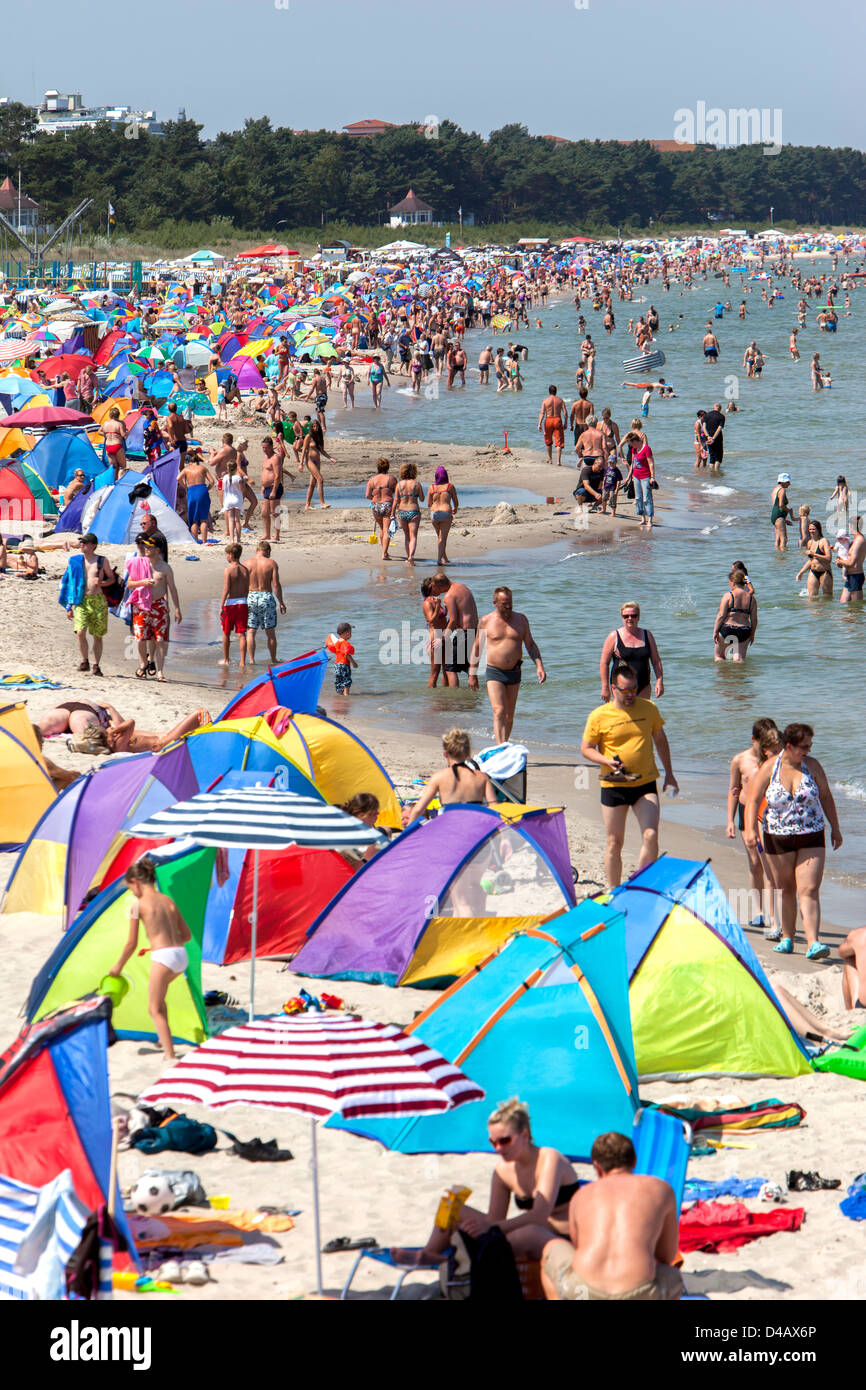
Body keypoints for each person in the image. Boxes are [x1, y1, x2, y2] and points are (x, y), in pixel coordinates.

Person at [392, 1098, 582, 1268]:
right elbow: (494, 1219)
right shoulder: (502, 1171)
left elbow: (539, 1216)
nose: (498, 1149)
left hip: (563, 1238)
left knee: (528, 1232)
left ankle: (459, 1261)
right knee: (452, 1207)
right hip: (527, 1231)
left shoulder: (549, 1158)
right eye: (493, 1143)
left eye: (505, 1141)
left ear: (525, 1135)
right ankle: (430, 1254)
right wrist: (479, 1227)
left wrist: (491, 1229)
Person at [540, 1131, 682, 1302]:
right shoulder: (661, 1189)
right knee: (672, 1275)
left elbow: (578, 1247)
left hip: (583, 1293)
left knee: (550, 1250)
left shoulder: (581, 1196)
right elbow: (666, 1255)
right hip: (639, 1294)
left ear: (597, 1167)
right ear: (634, 1161)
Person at [744, 722, 842, 959]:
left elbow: (826, 797)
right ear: (789, 746)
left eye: (810, 745)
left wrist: (835, 828)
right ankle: (787, 937)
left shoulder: (813, 766)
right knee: (786, 888)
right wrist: (749, 830)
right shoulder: (770, 768)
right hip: (778, 836)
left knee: (809, 889)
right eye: (804, 746)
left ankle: (813, 943)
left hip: (812, 834)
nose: (808, 750)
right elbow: (753, 800)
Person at [581, 661, 678, 887]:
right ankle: (614, 890)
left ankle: (641, 884)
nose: (631, 694)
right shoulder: (599, 716)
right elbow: (586, 748)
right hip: (614, 785)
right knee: (615, 842)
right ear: (613, 688)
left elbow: (661, 740)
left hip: (645, 784)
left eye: (634, 689)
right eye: (625, 690)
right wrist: (606, 761)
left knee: (651, 835)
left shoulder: (649, 709)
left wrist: (670, 774)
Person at [108, 858, 192, 1061]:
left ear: (135, 881)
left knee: (153, 1008)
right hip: (181, 956)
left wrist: (117, 967)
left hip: (164, 958)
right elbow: (187, 935)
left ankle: (170, 1055)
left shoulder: (138, 905)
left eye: (130, 888)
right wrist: (155, 946)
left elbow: (131, 943)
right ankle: (166, 1045)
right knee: (160, 1003)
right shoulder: (168, 900)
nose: (132, 892)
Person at [470, 586, 546, 744]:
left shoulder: (521, 620)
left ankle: (504, 743)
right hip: (494, 671)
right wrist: (473, 673)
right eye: (504, 603)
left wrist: (539, 666)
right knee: (499, 711)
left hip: (515, 671)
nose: (509, 606)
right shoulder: (485, 621)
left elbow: (530, 645)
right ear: (495, 603)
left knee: (509, 715)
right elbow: (477, 647)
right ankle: (500, 748)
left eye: (510, 602)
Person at [726, 718, 781, 933]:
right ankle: (759, 911)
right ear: (754, 740)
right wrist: (730, 820)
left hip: (768, 815)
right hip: (745, 813)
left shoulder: (776, 760)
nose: (766, 749)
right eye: (762, 744)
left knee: (769, 865)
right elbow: (733, 790)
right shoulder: (740, 760)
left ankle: (772, 915)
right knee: (755, 863)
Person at [403, 728, 498, 824]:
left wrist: (407, 833)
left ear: (446, 754)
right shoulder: (481, 777)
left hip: (448, 829)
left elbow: (418, 810)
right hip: (474, 828)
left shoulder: (438, 778)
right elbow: (495, 808)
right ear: (468, 753)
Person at [60, 532, 116, 677]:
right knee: (80, 631)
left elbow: (112, 579)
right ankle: (85, 660)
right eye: (81, 542)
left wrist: (102, 583)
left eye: (85, 542)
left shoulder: (102, 561)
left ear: (93, 545)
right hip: (81, 600)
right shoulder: (75, 561)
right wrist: (68, 606)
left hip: (98, 600)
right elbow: (70, 583)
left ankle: (96, 665)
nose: (82, 545)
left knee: (98, 635)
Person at [599, 603, 664, 701]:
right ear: (622, 617)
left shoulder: (647, 635)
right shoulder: (614, 636)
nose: (630, 618)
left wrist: (659, 681)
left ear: (638, 617)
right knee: (623, 715)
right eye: (626, 616)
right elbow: (604, 663)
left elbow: (656, 661)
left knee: (642, 715)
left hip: (643, 685)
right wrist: (605, 687)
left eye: (633, 616)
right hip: (621, 687)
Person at [434, 572, 478, 689]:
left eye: (436, 588)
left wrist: (443, 639)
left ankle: (455, 700)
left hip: (464, 633)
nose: (436, 591)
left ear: (441, 586)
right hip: (475, 631)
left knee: (450, 668)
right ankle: (474, 699)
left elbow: (453, 621)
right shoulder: (462, 586)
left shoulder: (449, 595)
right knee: (468, 667)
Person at [246, 540, 285, 663]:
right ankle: (273, 659)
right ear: (267, 551)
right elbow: (276, 585)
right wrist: (281, 602)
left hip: (250, 597)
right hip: (266, 596)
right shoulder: (271, 563)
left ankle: (251, 660)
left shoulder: (246, 563)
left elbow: (242, 584)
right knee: (270, 632)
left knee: (251, 631)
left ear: (257, 551)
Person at [713, 566, 757, 662]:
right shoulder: (751, 598)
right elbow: (754, 619)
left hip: (727, 629)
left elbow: (721, 616)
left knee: (719, 657)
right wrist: (752, 634)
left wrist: (715, 631)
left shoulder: (728, 595)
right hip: (744, 630)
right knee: (739, 659)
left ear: (733, 582)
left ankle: (724, 676)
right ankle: (738, 675)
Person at [219, 542, 249, 668]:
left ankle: (226, 659)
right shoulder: (245, 570)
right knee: (241, 634)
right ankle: (242, 662)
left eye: (227, 554)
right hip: (243, 602)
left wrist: (221, 606)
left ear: (231, 555)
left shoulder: (229, 570)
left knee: (226, 632)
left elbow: (226, 588)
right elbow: (247, 589)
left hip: (231, 603)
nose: (226, 557)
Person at [178, 456, 216, 545]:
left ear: (190, 462)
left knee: (194, 519)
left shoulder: (187, 469)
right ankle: (204, 541)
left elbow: (178, 478)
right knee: (203, 518)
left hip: (191, 490)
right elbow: (212, 481)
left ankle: (195, 540)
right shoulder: (203, 468)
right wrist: (207, 488)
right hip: (202, 489)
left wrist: (185, 487)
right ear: (197, 462)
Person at [391, 462, 424, 563]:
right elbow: (422, 499)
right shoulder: (417, 484)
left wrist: (392, 513)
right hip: (414, 511)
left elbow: (396, 500)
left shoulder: (399, 485)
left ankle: (407, 556)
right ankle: (411, 556)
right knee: (413, 535)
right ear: (414, 472)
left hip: (402, 512)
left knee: (407, 536)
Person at [623, 430, 656, 530]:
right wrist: (629, 476)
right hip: (636, 476)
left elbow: (651, 463)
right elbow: (633, 464)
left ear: (635, 441)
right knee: (638, 498)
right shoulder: (634, 450)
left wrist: (652, 477)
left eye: (631, 444)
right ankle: (643, 518)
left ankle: (650, 520)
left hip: (646, 477)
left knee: (647, 498)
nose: (631, 447)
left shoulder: (646, 449)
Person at [365, 458, 396, 560]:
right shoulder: (391, 479)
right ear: (388, 467)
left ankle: (384, 551)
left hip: (376, 505)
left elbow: (367, 495)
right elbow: (397, 493)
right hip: (387, 504)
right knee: (387, 530)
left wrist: (374, 498)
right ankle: (384, 554)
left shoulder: (372, 480)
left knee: (382, 529)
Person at [427, 466, 458, 566]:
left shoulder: (432, 488)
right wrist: (455, 509)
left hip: (434, 513)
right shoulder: (450, 486)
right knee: (443, 538)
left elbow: (428, 503)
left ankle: (444, 558)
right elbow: (456, 501)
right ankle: (439, 560)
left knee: (439, 537)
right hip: (445, 512)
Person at [421, 576, 449, 687]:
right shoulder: (427, 603)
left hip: (443, 637)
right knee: (435, 672)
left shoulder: (436, 600)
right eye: (436, 587)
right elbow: (431, 620)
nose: (439, 589)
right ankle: (432, 701)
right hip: (434, 638)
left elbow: (442, 620)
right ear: (431, 587)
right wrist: (438, 606)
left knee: (447, 670)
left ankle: (445, 699)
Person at [302, 418, 334, 510]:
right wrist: (300, 463)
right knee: (320, 479)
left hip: (317, 461)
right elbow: (304, 450)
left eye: (316, 426)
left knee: (312, 483)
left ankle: (307, 505)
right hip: (309, 460)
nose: (315, 427)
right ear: (311, 428)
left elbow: (322, 450)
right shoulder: (308, 437)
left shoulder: (319, 436)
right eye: (313, 426)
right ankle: (322, 503)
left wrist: (330, 458)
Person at [796, 520, 833, 596]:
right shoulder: (810, 542)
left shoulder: (824, 541)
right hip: (813, 571)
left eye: (813, 529)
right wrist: (801, 572)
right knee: (812, 598)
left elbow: (829, 558)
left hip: (825, 572)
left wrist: (814, 554)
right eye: (810, 529)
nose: (811, 531)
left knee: (827, 597)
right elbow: (811, 560)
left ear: (819, 529)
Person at [836, 516, 865, 602]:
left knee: (856, 608)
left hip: (856, 576)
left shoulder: (859, 541)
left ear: (851, 526)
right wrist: (840, 563)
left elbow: (852, 562)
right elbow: (848, 559)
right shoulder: (854, 541)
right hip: (850, 576)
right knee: (843, 602)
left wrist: (840, 561)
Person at [538, 385, 567, 465]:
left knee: (548, 441)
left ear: (549, 391)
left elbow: (542, 413)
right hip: (557, 420)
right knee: (558, 441)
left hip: (548, 420)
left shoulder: (545, 401)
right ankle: (558, 461)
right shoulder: (560, 400)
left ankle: (550, 459)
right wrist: (566, 422)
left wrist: (539, 423)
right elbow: (565, 412)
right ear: (556, 391)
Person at [326, 622, 356, 694]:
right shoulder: (345, 643)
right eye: (350, 632)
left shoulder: (337, 643)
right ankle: (346, 695)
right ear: (346, 633)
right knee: (346, 681)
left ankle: (341, 695)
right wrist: (354, 663)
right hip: (344, 664)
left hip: (337, 665)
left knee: (340, 681)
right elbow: (346, 655)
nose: (351, 634)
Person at [100, 407, 127, 479]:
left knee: (114, 467)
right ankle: (122, 481)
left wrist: (106, 435)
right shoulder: (119, 424)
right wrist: (127, 432)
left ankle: (113, 482)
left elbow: (99, 432)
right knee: (123, 466)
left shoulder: (105, 423)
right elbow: (123, 435)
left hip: (108, 446)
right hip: (117, 445)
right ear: (118, 415)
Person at [770, 474, 793, 549]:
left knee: (778, 539)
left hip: (775, 515)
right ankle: (783, 558)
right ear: (783, 482)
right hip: (779, 516)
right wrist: (789, 511)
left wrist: (784, 520)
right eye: (788, 482)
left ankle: (777, 555)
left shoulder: (775, 489)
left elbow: (775, 505)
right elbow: (781, 505)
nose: (789, 484)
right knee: (784, 539)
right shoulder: (782, 490)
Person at [702, 402, 725, 470]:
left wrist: (708, 437)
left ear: (713, 407)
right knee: (718, 457)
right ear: (720, 409)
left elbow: (704, 427)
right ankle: (716, 472)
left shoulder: (706, 415)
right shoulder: (721, 416)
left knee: (712, 456)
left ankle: (711, 473)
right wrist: (713, 438)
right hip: (717, 438)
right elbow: (719, 428)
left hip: (708, 438)